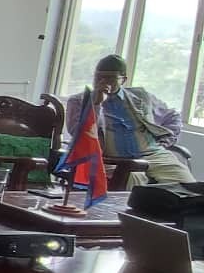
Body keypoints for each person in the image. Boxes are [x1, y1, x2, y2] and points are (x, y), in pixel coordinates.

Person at [64, 55, 196, 184]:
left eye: (110, 78)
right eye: (99, 77)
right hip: (110, 160)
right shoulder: (78, 101)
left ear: (123, 80)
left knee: (188, 188)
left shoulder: (140, 96)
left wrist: (165, 141)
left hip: (153, 155)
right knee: (134, 182)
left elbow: (172, 116)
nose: (103, 82)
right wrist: (95, 105)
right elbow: (79, 134)